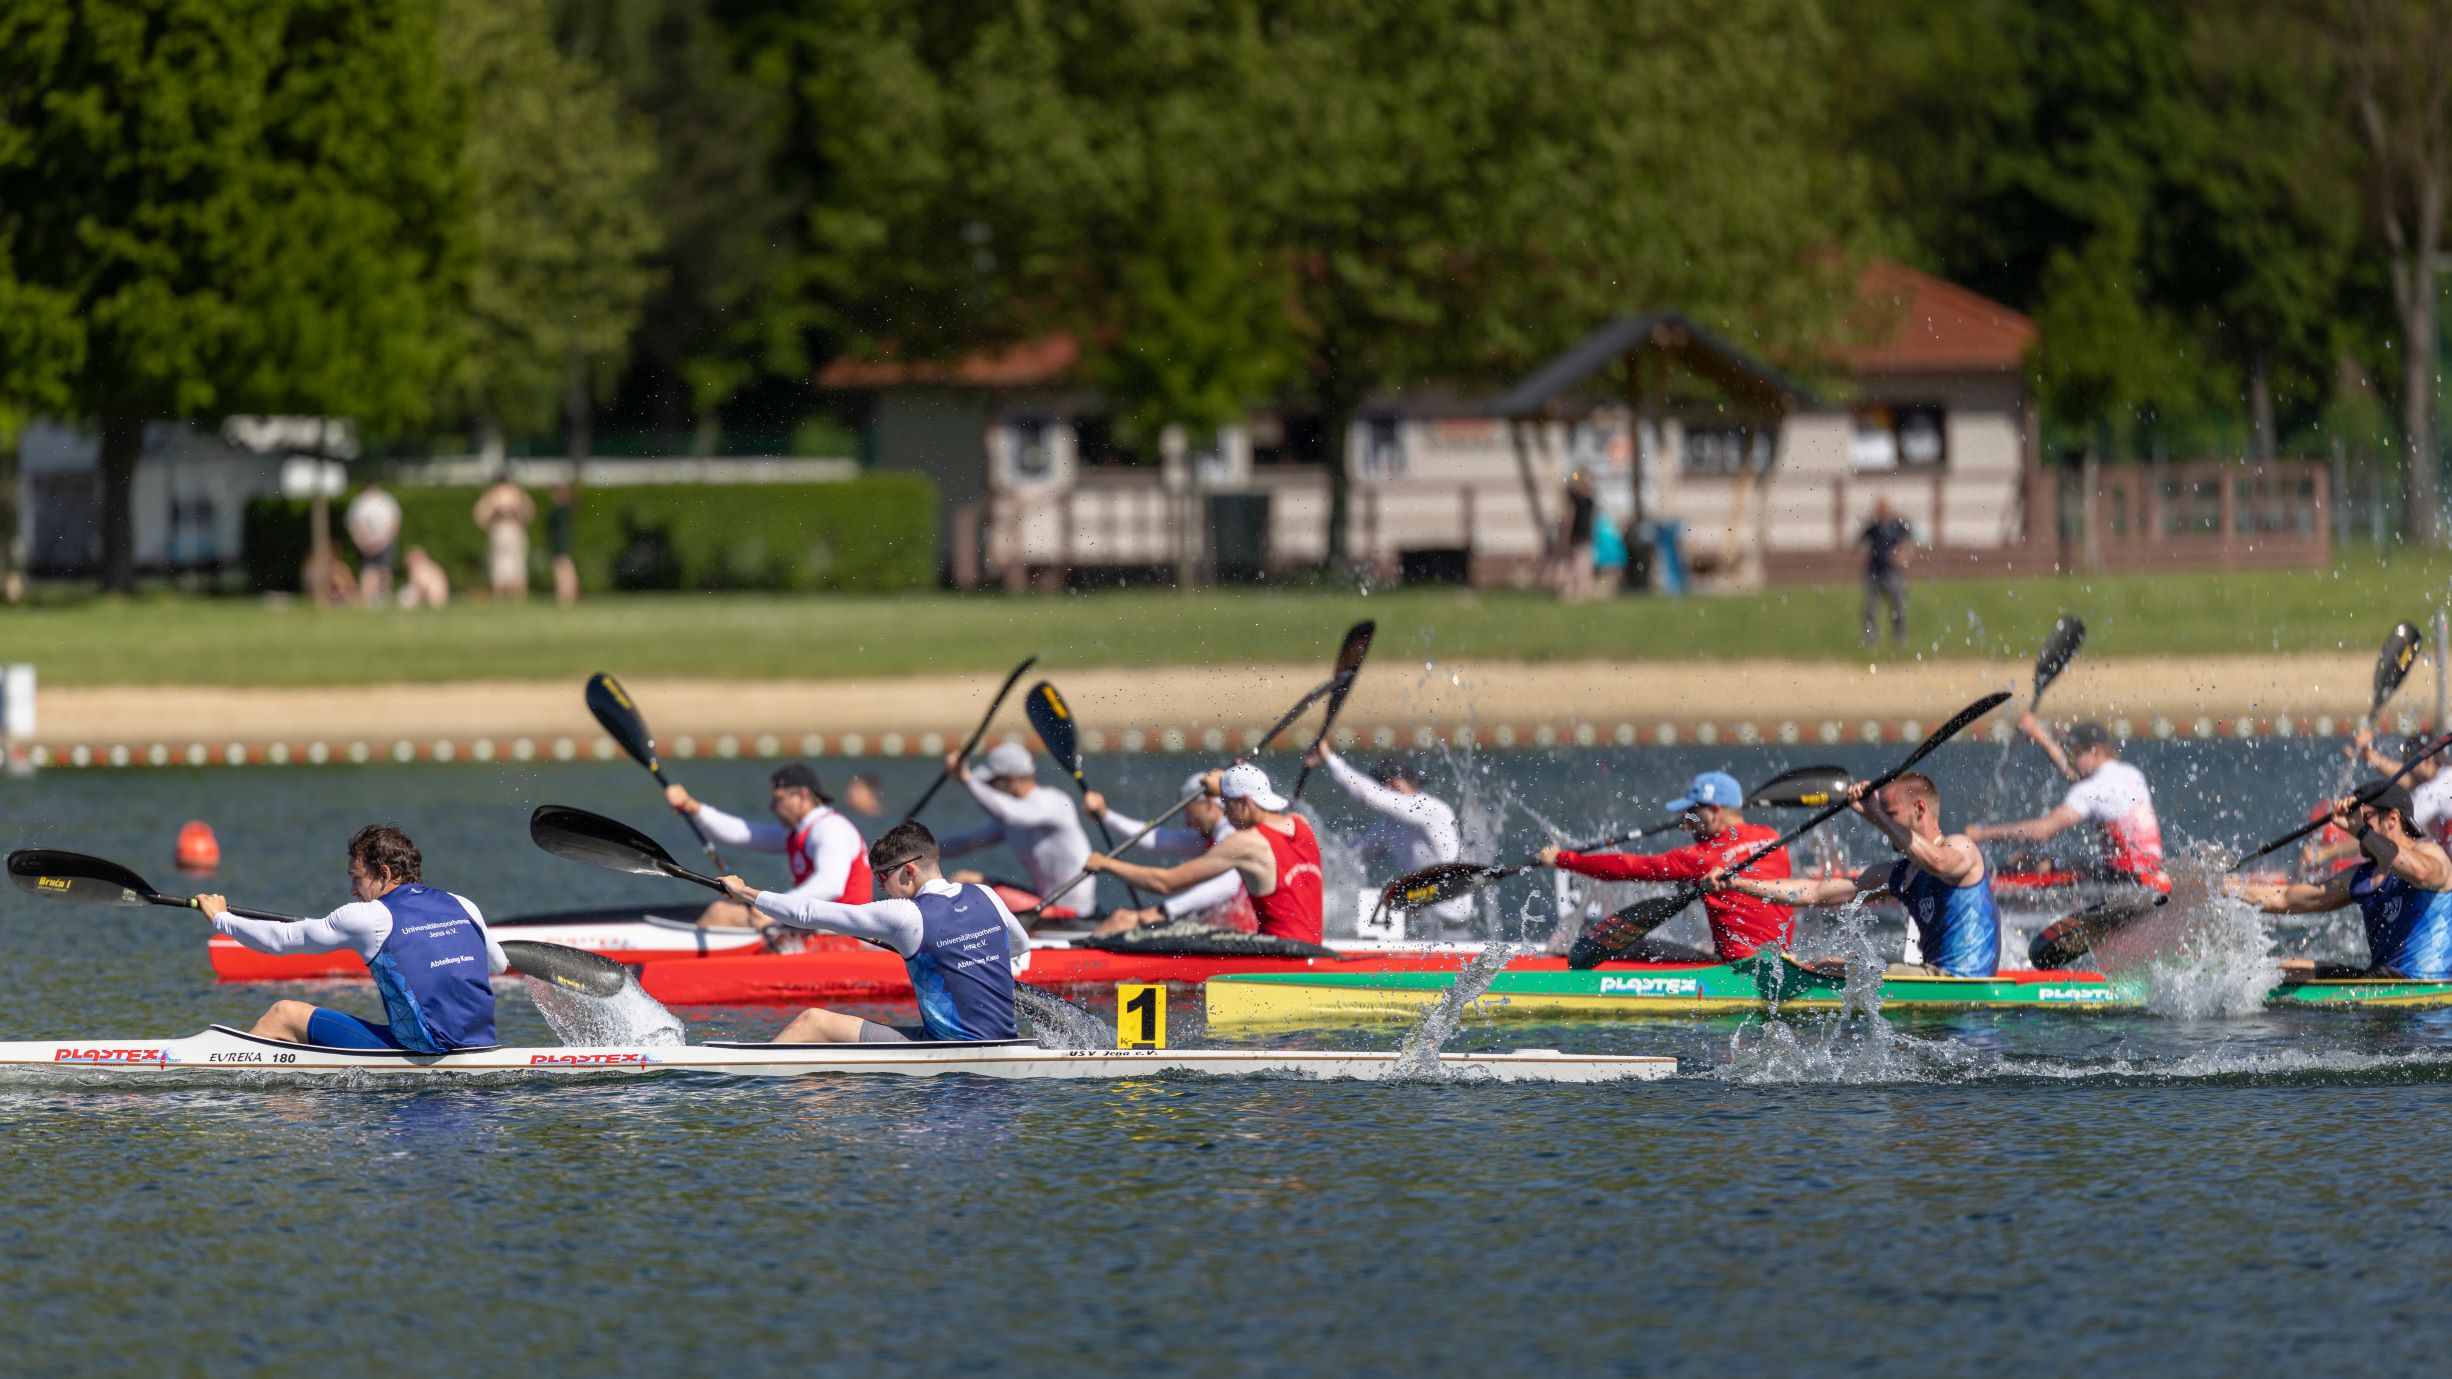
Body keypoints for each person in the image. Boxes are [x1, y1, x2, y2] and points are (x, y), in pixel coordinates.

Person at [196, 825, 506, 1050]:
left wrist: (221, 918)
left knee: (283, 1014)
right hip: (481, 1045)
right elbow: (498, 966)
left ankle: (232, 1092)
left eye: (356, 878)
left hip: (424, 1049)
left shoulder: (368, 916)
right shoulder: (463, 904)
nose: (353, 891)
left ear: (384, 873)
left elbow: (280, 940)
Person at [717, 821, 1030, 1042]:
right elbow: (1019, 945)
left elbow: (809, 913)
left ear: (909, 870)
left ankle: (750, 1088)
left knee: (813, 1021)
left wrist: (746, 893)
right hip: (1004, 1042)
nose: (880, 887)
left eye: (882, 877)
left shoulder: (905, 915)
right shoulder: (986, 894)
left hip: (947, 1051)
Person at [1707, 773, 1999, 978]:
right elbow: (1816, 892)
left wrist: (1874, 814)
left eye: (1891, 813)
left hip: (1964, 985)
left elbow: (1937, 862)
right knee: (1827, 966)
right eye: (1883, 813)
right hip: (1932, 981)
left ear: (1919, 809)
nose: (1884, 824)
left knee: (1857, 974)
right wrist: (1737, 883)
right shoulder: (1899, 874)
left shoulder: (1961, 847)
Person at [1536, 770, 1793, 962]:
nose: (1685, 821)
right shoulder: (1772, 838)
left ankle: (1558, 971)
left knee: (1632, 947)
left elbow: (1628, 867)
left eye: (1692, 813)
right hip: (1778, 964)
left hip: (1738, 968)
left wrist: (1562, 859)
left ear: (1714, 811)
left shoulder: (1700, 857)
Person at [2226, 782, 2452, 980]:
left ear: (2392, 819)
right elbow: (2286, 898)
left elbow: (2421, 872)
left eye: (2364, 818)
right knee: (2277, 970)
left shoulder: (2431, 853)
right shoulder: (2361, 877)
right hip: (2379, 980)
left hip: (2429, 990)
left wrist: (2361, 831)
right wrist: (2226, 889)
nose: (2354, 828)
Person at [1086, 763, 1324, 944]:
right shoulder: (1301, 823)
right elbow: (1157, 840)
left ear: (1244, 803)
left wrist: (1107, 865)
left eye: (1227, 806)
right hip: (1310, 950)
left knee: (1121, 921)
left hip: (1276, 958)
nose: (1226, 815)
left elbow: (1164, 883)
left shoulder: (1244, 843)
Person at [1968, 716, 2169, 892]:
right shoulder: (2131, 774)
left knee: (2034, 865)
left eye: (2074, 755)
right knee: (2049, 863)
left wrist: (1983, 835)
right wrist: (2040, 736)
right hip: (2152, 875)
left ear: (2095, 750)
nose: (2070, 761)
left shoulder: (2091, 789)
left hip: (2127, 884)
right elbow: (2072, 773)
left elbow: (2042, 831)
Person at [665, 763, 870, 929]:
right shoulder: (799, 831)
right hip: (816, 927)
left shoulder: (829, 827)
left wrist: (774, 910)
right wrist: (692, 806)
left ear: (803, 796)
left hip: (844, 935)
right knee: (726, 909)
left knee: (720, 914)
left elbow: (830, 885)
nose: (773, 807)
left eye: (779, 799)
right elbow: (742, 833)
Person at [1307, 745, 1471, 939]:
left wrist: (1330, 758)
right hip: (1422, 918)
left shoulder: (1432, 810)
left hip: (1452, 924)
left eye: (1383, 789)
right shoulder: (1389, 826)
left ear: (1395, 784)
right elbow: (1350, 856)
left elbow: (1370, 795)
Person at [1082, 770, 1256, 935]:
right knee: (1123, 918)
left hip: (1240, 938)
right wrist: (1106, 816)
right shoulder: (1211, 837)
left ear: (1209, 803)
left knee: (1122, 920)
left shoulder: (1231, 835)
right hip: (1222, 929)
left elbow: (1226, 887)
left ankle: (1077, 959)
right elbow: (1156, 839)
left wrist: (1165, 910)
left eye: (1190, 813)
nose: (1188, 822)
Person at [935, 742, 1093, 907]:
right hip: (1043, 902)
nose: (987, 788)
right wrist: (916, 849)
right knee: (967, 880)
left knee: (964, 882)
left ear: (1011, 780)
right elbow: (965, 843)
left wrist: (967, 779)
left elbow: (1009, 813)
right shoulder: (1013, 816)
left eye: (991, 782)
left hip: (1072, 910)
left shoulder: (1054, 802)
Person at [1857, 498, 1913, 647]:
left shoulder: (1898, 526)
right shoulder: (1873, 527)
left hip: (1892, 571)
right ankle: (1870, 639)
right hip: (1874, 570)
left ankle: (1899, 637)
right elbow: (1859, 543)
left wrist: (1901, 555)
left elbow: (1909, 544)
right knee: (1870, 607)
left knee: (1897, 604)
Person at [472, 477, 535, 601]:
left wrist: (517, 516)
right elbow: (480, 513)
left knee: (515, 564)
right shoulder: (497, 493)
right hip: (501, 530)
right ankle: (503, 595)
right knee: (500, 564)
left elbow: (529, 511)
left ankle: (514, 596)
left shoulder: (508, 493)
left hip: (512, 529)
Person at [344, 481, 402, 608]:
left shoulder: (386, 501)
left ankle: (384, 597)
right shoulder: (359, 503)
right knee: (368, 571)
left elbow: (394, 522)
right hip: (367, 545)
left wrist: (385, 541)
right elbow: (355, 526)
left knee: (384, 570)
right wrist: (363, 543)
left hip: (384, 542)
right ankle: (368, 599)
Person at [548, 482, 580, 607]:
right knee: (565, 571)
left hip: (561, 546)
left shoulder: (561, 509)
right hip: (561, 546)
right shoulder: (564, 509)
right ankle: (567, 597)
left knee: (562, 573)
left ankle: (565, 597)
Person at [399, 545, 451, 609]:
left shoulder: (420, 568)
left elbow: (422, 587)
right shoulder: (431, 566)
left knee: (406, 593)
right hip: (441, 600)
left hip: (433, 600)